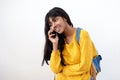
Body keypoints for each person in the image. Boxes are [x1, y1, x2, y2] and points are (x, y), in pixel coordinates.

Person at [42, 7, 98, 80]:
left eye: (55, 20)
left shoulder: (82, 35)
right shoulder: (59, 41)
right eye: (50, 24)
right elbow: (55, 69)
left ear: (65, 18)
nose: (53, 26)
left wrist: (63, 70)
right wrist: (55, 44)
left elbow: (85, 67)